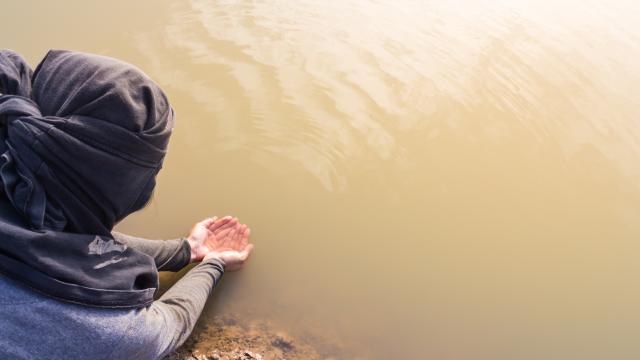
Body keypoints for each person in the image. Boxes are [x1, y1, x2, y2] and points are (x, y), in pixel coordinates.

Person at [0, 49, 253, 359]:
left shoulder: (13, 165)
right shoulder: (105, 329)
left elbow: (56, 239)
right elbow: (168, 324)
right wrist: (215, 264)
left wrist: (185, 250)